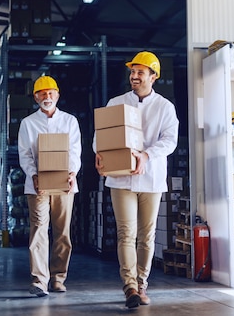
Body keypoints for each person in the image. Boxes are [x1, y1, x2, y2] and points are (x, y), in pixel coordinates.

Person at [94, 51, 179, 308]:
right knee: (125, 233)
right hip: (121, 180)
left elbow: (170, 141)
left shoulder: (164, 107)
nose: (134, 76)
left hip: (151, 178)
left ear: (153, 76)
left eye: (140, 72)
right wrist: (99, 154)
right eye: (132, 71)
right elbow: (102, 134)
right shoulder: (116, 103)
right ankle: (129, 286)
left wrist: (146, 155)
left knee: (146, 235)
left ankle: (142, 284)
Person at [18, 75, 82, 298]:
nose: (47, 97)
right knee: (39, 231)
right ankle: (39, 280)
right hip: (37, 187)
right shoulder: (28, 123)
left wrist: (72, 172)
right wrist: (34, 175)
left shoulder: (69, 121)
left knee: (62, 232)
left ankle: (58, 278)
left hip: (65, 184)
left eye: (50, 92)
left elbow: (75, 151)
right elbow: (25, 154)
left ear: (57, 95)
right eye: (42, 93)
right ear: (35, 97)